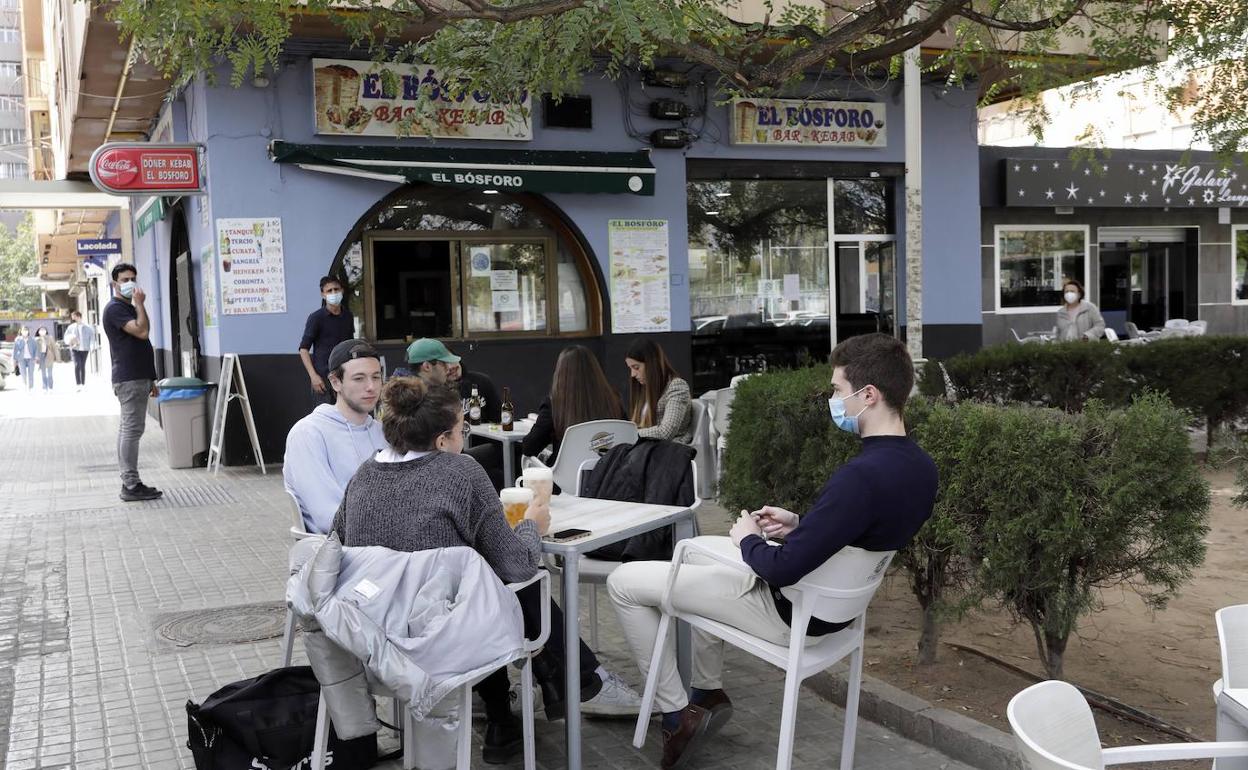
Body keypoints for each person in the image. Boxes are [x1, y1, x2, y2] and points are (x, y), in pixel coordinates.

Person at [607, 333, 939, 769]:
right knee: (701, 554)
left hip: (788, 611)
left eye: (839, 391)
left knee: (622, 583)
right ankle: (706, 692)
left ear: (870, 395)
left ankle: (675, 715)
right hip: (835, 610)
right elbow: (861, 535)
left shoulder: (860, 476)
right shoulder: (920, 468)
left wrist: (747, 537)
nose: (834, 400)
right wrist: (800, 524)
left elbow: (778, 570)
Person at [332, 377, 643, 763]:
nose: (465, 436)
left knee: (471, 573)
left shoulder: (363, 476)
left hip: (366, 640)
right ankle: (572, 678)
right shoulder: (460, 473)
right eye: (463, 429)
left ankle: (520, 704)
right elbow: (518, 566)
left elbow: (339, 544)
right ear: (443, 440)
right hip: (441, 647)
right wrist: (532, 524)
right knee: (511, 579)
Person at [283, 339, 386, 534]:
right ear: (335, 382)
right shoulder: (308, 434)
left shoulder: (383, 433)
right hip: (342, 553)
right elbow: (328, 517)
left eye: (376, 377)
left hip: (385, 548)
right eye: (359, 378)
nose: (371, 387)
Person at [405, 338, 506, 489]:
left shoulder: (408, 393)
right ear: (427, 366)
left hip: (442, 461)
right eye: (444, 363)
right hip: (440, 468)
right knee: (507, 453)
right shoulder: (425, 398)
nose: (448, 368)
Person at [102, 262, 162, 502]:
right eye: (125, 280)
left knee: (128, 429)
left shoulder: (124, 307)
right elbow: (142, 331)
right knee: (132, 430)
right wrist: (140, 304)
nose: (130, 284)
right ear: (114, 283)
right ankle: (131, 484)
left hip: (138, 377)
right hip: (130, 378)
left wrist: (151, 379)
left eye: (133, 279)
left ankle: (129, 480)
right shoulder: (115, 309)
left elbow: (139, 344)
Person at [523, 345, 626, 466]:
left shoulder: (554, 405)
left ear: (561, 374)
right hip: (609, 477)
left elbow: (529, 447)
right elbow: (626, 438)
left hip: (564, 481)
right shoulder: (614, 399)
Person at [299, 276, 355, 405]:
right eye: (329, 291)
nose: (333, 293)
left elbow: (349, 345)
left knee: (346, 417)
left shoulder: (348, 316)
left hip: (344, 377)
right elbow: (303, 349)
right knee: (324, 420)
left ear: (342, 291)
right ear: (323, 295)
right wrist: (313, 376)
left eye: (336, 289)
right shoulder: (316, 318)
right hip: (323, 379)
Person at [625, 338, 693, 443]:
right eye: (630, 368)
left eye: (636, 367)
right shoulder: (644, 389)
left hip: (668, 452)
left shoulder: (677, 387)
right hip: (649, 449)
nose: (632, 374)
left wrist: (627, 435)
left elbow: (666, 432)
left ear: (651, 364)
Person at [64, 311, 96, 391]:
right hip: (75, 349)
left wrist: (92, 347)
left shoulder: (88, 328)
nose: (73, 319)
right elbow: (66, 337)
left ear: (79, 317)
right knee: (77, 365)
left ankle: (83, 384)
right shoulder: (71, 327)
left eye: (74, 317)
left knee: (82, 366)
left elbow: (92, 338)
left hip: (85, 349)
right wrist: (70, 340)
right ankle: (78, 384)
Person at [12, 326, 35, 391]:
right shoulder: (17, 339)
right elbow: (15, 350)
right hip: (21, 359)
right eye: (24, 330)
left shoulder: (32, 339)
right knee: (23, 374)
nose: (25, 331)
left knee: (31, 374)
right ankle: (25, 385)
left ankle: (31, 388)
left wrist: (36, 357)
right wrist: (14, 360)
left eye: (26, 330)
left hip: (30, 358)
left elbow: (35, 349)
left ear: (28, 331)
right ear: (21, 331)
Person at [34, 327, 54, 393]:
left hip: (49, 356)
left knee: (50, 373)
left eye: (44, 330)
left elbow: (54, 347)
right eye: (41, 330)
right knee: (43, 373)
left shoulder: (50, 338)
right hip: (41, 356)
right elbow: (35, 349)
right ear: (38, 332)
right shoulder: (36, 339)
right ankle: (45, 387)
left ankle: (50, 387)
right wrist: (36, 357)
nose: (42, 331)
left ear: (46, 331)